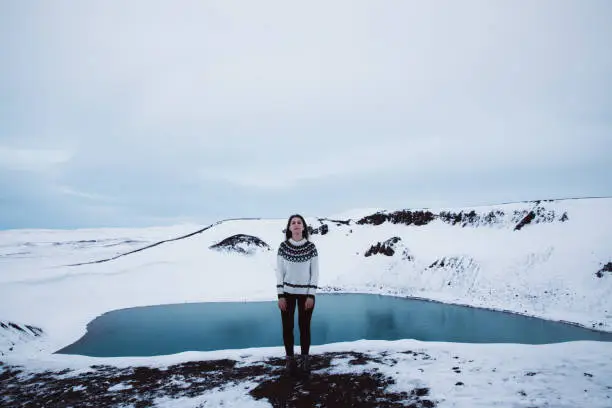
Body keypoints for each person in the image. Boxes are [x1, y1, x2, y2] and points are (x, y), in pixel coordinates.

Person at [275, 213, 319, 375]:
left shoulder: (311, 248)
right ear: (289, 227)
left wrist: (311, 295)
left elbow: (314, 273)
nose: (296, 225)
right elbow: (279, 272)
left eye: (299, 222)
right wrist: (280, 295)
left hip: (305, 295)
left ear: (303, 227)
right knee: (288, 328)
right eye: (293, 222)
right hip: (287, 294)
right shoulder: (283, 247)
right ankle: (290, 360)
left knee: (304, 327)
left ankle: (305, 360)